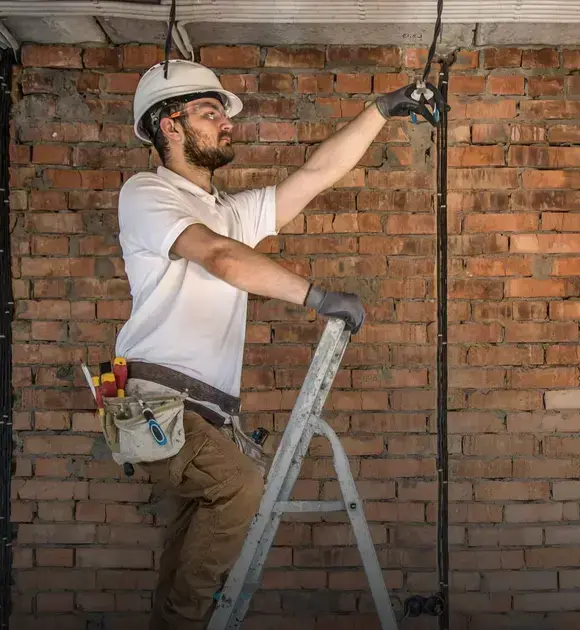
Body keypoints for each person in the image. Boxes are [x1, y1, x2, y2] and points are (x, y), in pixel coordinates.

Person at [114, 59, 434, 629]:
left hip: (201, 411)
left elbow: (313, 176)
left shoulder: (227, 212)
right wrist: (317, 296)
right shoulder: (147, 194)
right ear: (169, 124)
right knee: (238, 486)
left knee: (196, 524)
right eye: (210, 113)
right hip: (156, 402)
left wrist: (380, 111)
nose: (227, 125)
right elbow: (220, 256)